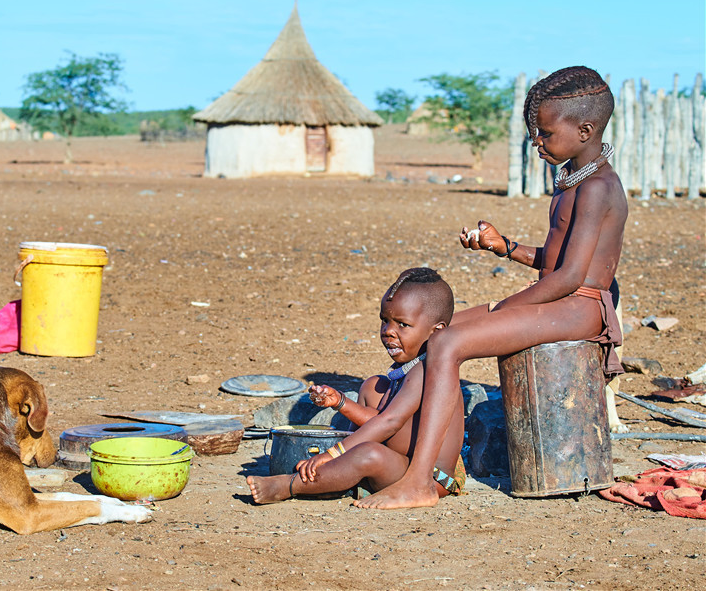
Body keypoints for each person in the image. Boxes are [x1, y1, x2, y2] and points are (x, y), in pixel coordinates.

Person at [363, 65, 627, 510]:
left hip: (580, 307)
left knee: (450, 343)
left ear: (584, 129)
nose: (536, 142)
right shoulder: (576, 180)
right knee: (437, 334)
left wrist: (504, 307)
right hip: (561, 297)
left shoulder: (599, 187)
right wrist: (505, 247)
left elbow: (569, 277)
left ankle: (420, 482)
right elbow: (558, 259)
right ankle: (436, 461)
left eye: (544, 133)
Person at [246, 267, 466, 505]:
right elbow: (384, 423)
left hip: (429, 477)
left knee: (367, 453)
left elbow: (390, 423)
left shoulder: (430, 370)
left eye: (402, 324)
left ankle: (288, 486)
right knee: (373, 386)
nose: (388, 331)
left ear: (437, 331)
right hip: (398, 460)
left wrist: (332, 453)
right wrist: (341, 402)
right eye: (385, 320)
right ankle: (343, 474)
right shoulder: (407, 370)